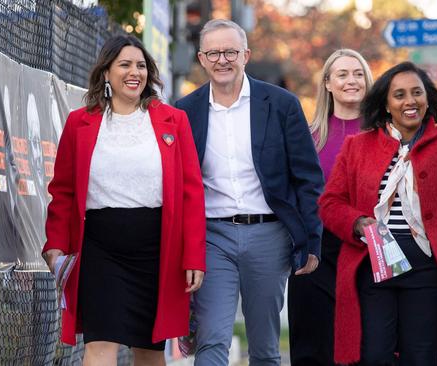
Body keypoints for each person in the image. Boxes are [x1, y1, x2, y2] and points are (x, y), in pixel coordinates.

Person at [318, 40, 437, 365]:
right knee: (375, 356)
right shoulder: (357, 147)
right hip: (375, 266)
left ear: (427, 98)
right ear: (386, 104)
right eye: (400, 94)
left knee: (420, 356)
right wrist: (357, 222)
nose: (410, 101)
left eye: (417, 92)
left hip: (427, 270)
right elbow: (330, 203)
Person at [42, 34, 206, 366]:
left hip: (156, 250)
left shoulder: (173, 121)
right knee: (100, 343)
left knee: (148, 351)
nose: (135, 72)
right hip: (99, 249)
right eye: (125, 64)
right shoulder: (79, 122)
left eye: (141, 66)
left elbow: (191, 193)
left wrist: (193, 256)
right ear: (106, 73)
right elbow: (63, 191)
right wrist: (56, 244)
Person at [175, 19, 324, 366]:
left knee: (265, 347)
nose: (222, 60)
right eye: (213, 52)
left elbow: (307, 177)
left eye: (230, 51)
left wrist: (312, 240)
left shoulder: (282, 104)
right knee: (211, 339)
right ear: (201, 58)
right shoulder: (184, 112)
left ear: (246, 55)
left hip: (269, 235)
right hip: (212, 238)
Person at [287, 48, 373, 366]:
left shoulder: (386, 137)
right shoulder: (307, 139)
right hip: (316, 249)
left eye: (358, 73)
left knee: (365, 349)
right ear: (327, 83)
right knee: (313, 348)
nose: (351, 80)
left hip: (368, 249)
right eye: (342, 74)